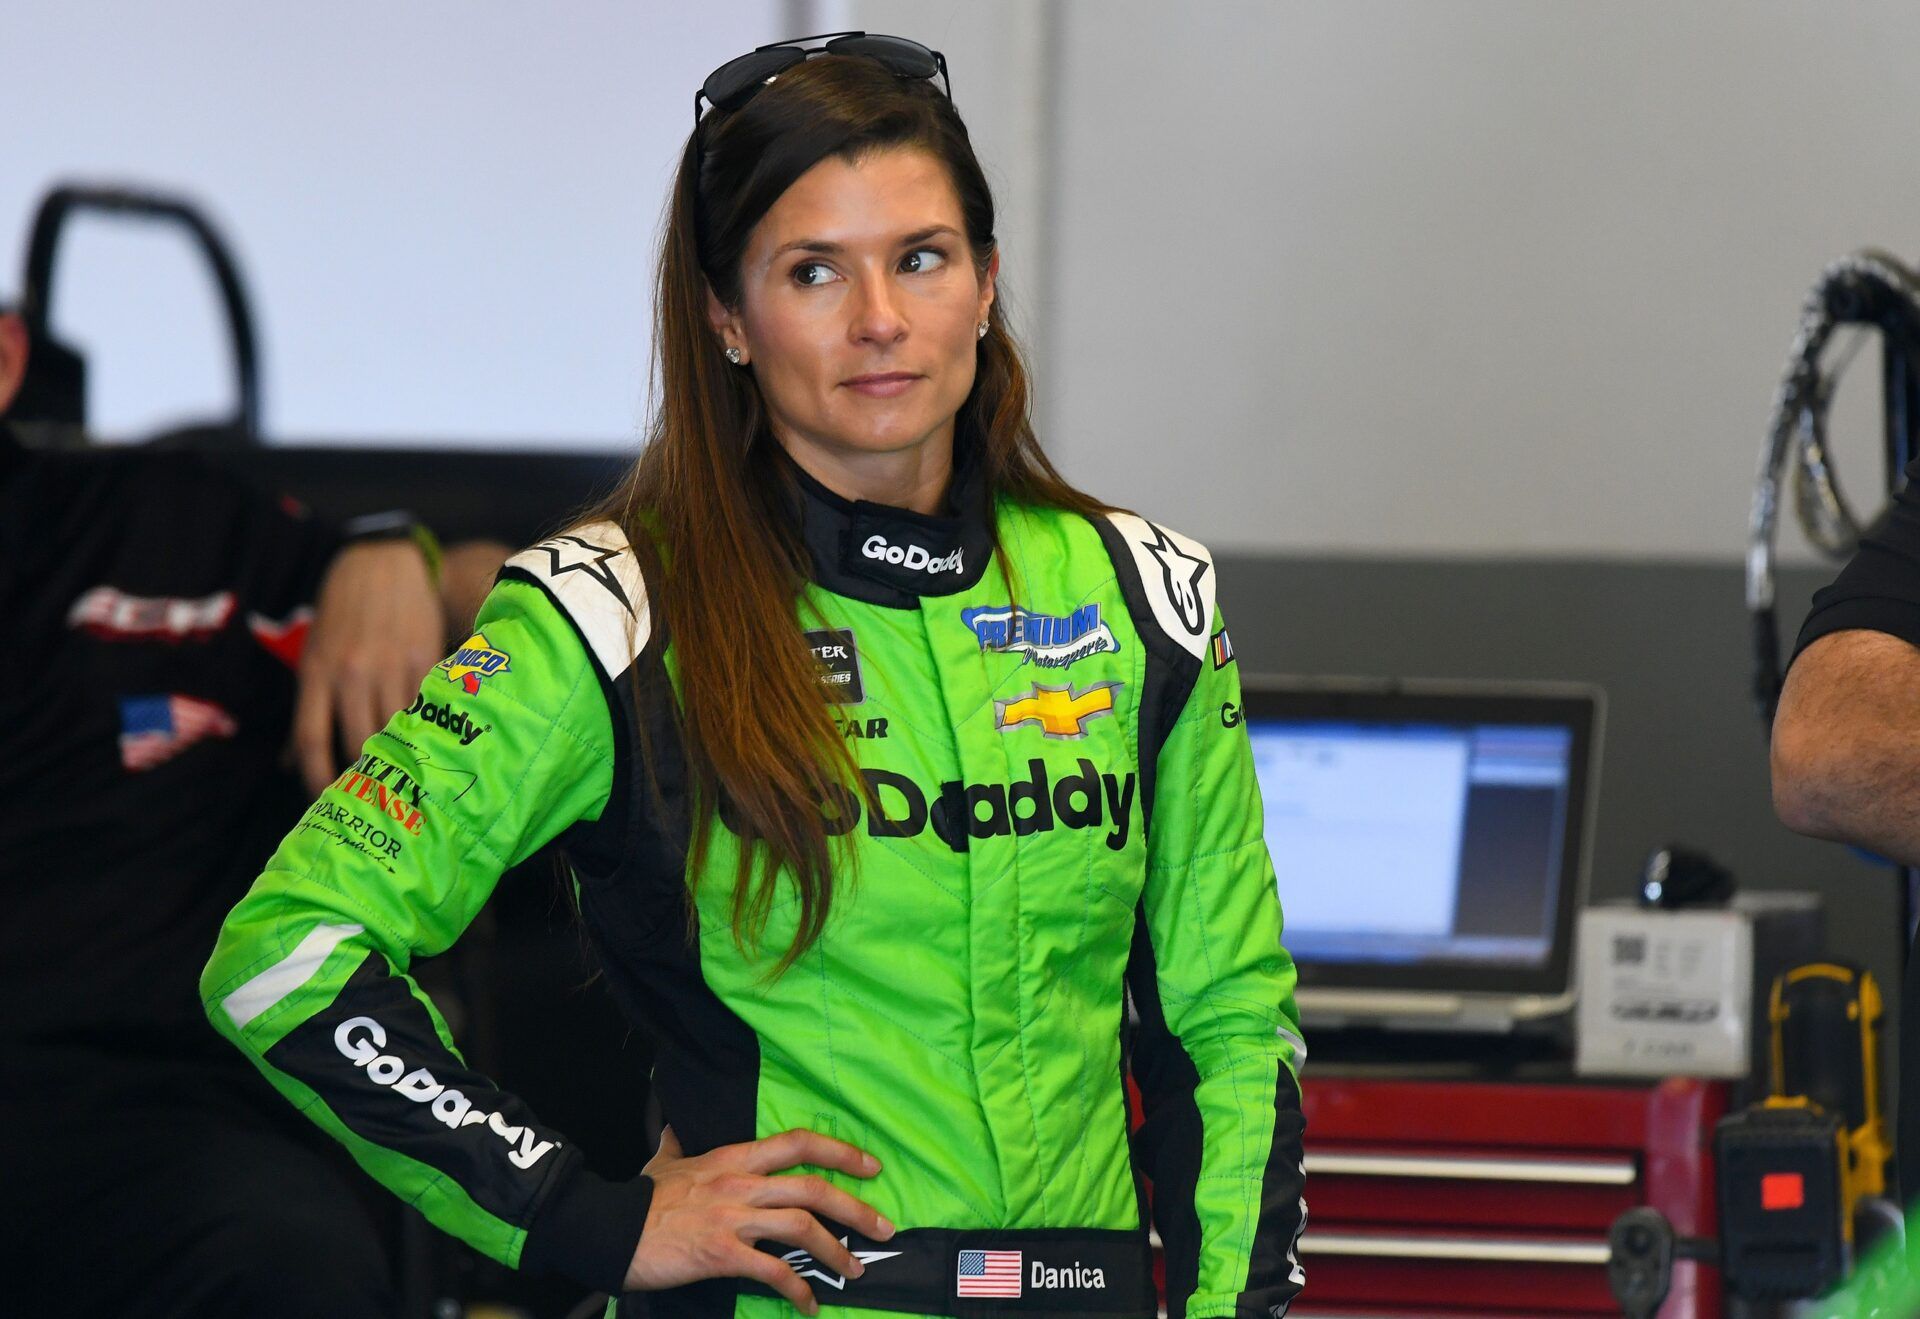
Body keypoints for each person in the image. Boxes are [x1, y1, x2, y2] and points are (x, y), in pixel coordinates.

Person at [201, 34, 1308, 1319]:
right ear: (728, 316)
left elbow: (1230, 1021)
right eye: (813, 271)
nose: (879, 317)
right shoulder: (613, 609)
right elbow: (285, 952)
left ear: (987, 283)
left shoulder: (1146, 595)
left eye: (921, 258)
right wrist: (583, 1214)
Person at [0, 302, 505, 1315]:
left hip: (158, 1124)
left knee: (284, 1260)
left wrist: (401, 558)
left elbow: (530, 614)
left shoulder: (165, 525)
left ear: (7, 358)